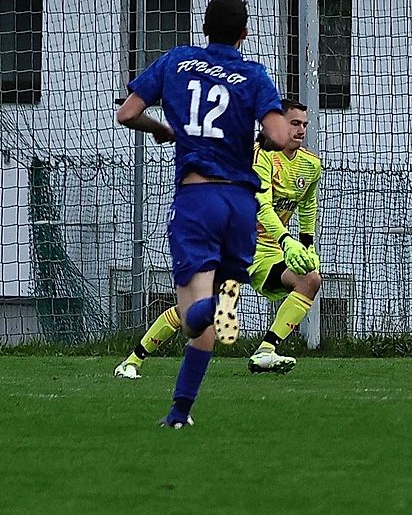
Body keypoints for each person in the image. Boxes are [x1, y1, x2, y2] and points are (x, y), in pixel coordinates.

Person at [116, 0, 289, 427]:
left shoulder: (177, 61)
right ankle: (180, 412)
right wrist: (267, 138)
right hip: (242, 204)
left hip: (198, 201)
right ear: (245, 33)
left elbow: (128, 112)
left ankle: (204, 312)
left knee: (195, 317)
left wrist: (161, 130)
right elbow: (280, 135)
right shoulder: (253, 74)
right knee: (220, 300)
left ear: (204, 27)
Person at [113, 99, 323, 378]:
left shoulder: (310, 164)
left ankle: (265, 352)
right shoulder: (258, 157)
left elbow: (308, 203)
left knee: (310, 279)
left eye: (304, 125)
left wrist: (306, 244)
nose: (300, 130)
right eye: (294, 123)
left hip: (267, 251)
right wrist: (287, 239)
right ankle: (132, 361)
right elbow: (263, 204)